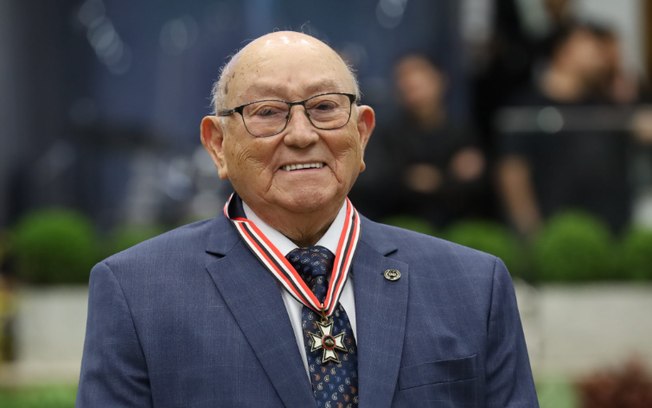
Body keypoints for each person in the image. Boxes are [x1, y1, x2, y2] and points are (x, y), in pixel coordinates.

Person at [77, 31, 538, 407]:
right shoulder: (137, 293)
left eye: (324, 107)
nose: (301, 134)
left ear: (362, 133)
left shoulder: (473, 286)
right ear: (217, 145)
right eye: (267, 112)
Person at [497, 23, 632, 238]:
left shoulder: (604, 106)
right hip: (553, 234)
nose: (598, 53)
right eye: (588, 43)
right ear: (563, 51)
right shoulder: (526, 109)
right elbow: (513, 172)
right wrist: (530, 233)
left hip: (609, 234)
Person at [379, 53, 489, 228]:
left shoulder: (463, 131)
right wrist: (450, 177)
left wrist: (437, 180)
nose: (412, 83)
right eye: (404, 78)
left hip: (460, 223)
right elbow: (385, 185)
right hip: (406, 223)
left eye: (419, 75)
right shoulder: (388, 134)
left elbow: (475, 180)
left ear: (440, 80)